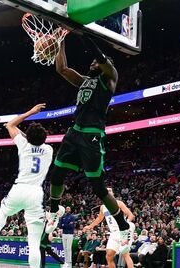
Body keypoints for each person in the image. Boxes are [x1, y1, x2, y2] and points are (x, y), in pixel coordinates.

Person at [46, 37, 134, 255]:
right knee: (56, 175)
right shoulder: (85, 80)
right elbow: (62, 68)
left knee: (98, 188)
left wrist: (82, 34)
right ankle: (54, 210)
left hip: (93, 135)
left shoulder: (110, 78)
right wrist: (61, 40)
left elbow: (102, 58)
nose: (92, 63)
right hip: (74, 132)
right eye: (92, 62)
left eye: (96, 62)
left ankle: (124, 228)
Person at [0, 104, 52, 268]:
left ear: (28, 138)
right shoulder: (48, 150)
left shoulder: (24, 145)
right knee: (33, 243)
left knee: (3, 212)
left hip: (19, 189)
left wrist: (31, 112)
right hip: (36, 194)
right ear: (44, 138)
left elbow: (11, 124)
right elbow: (34, 140)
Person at [83, 187, 135, 268]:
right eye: (107, 191)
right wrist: (89, 226)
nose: (108, 192)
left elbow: (131, 215)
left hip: (122, 231)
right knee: (109, 256)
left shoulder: (119, 203)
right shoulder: (102, 207)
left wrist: (125, 226)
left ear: (113, 194)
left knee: (125, 254)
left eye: (110, 191)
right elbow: (99, 219)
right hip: (113, 233)